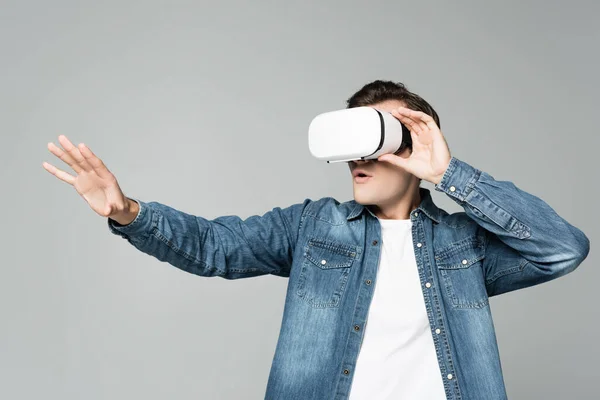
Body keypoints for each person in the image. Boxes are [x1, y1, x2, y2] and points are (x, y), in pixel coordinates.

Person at [43, 80, 590, 400]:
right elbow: (216, 246)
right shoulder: (312, 226)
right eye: (353, 136)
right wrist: (128, 212)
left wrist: (450, 175)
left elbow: (562, 248)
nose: (360, 154)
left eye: (380, 136)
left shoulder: (462, 244)